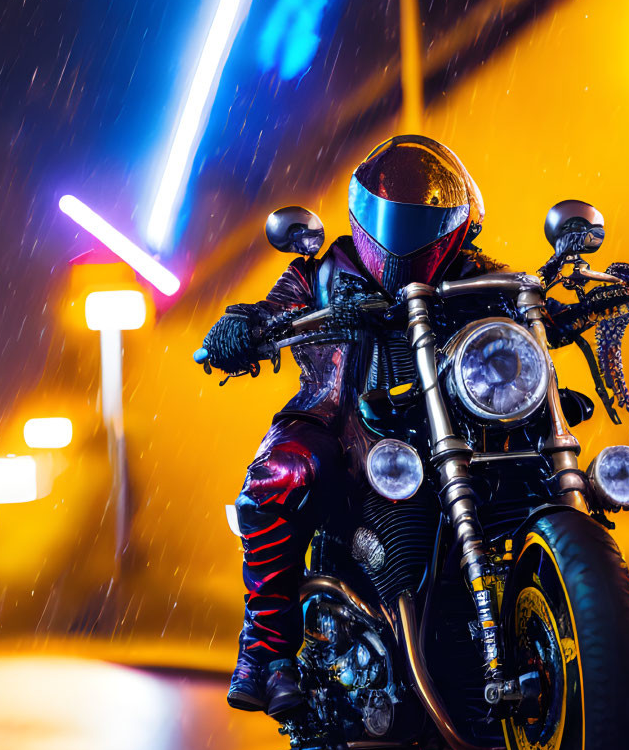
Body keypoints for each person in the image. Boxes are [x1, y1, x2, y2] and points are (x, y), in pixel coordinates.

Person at [202, 135, 502, 717]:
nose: (405, 230)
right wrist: (243, 324)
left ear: (457, 221)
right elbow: (276, 308)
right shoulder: (321, 274)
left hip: (449, 429)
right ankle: (265, 650)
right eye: (395, 214)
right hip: (339, 424)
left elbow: (523, 296)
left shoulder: (473, 273)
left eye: (425, 217)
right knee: (287, 469)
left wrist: (604, 294)